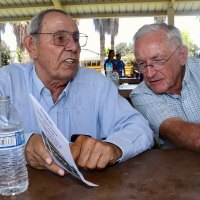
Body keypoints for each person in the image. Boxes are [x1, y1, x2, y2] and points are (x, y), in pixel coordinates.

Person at [0, 9, 153, 176]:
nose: (73, 47)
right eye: (60, 38)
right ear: (32, 46)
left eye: (76, 39)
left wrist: (114, 148)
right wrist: (24, 143)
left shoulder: (97, 85)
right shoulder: (7, 82)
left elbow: (140, 127)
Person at [130, 23, 200, 150]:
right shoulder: (141, 94)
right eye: (142, 64)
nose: (150, 74)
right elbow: (185, 135)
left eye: (158, 61)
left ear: (182, 55)